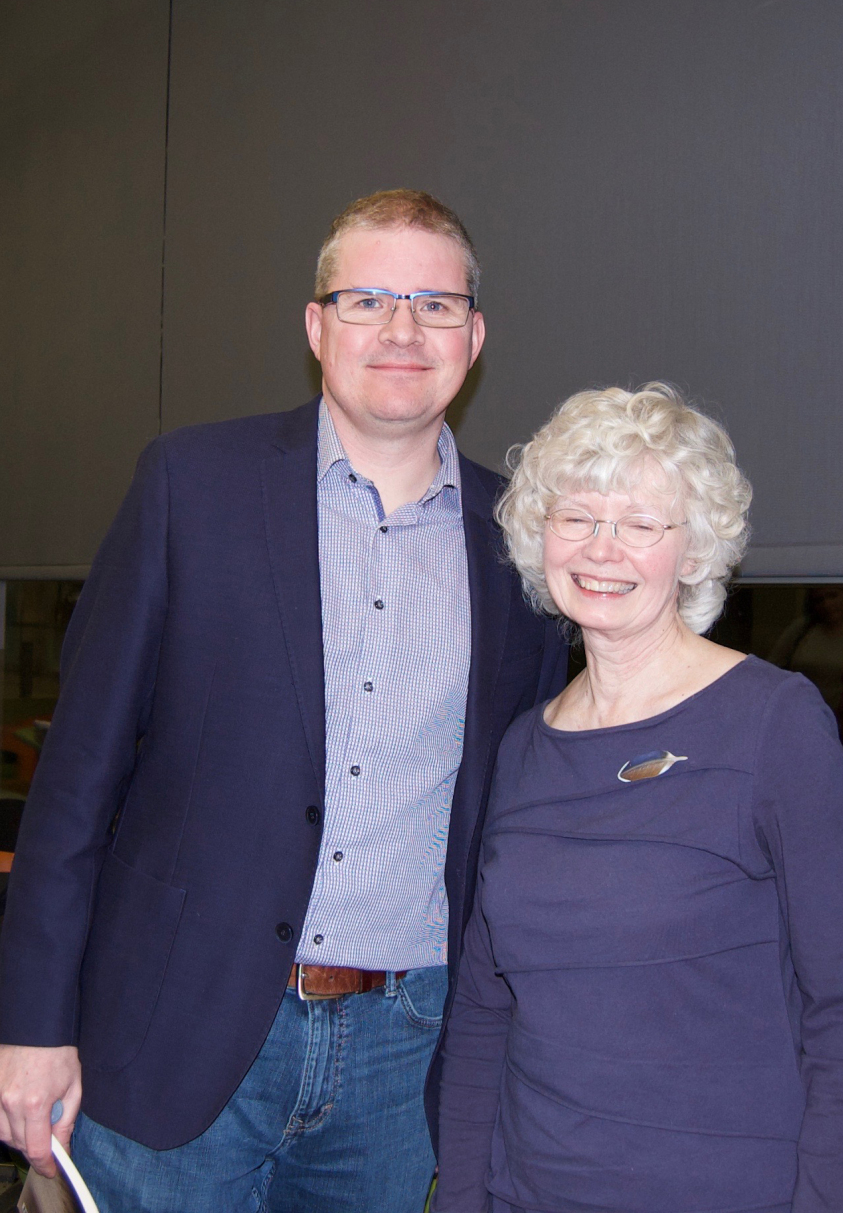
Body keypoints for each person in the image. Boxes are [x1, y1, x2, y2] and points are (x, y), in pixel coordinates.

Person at [0, 189, 565, 1212]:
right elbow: (76, 782)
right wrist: (32, 1025)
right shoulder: (190, 486)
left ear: (473, 338)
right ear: (316, 326)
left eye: (435, 306)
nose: (401, 330)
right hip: (174, 1029)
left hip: (401, 1058)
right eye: (366, 300)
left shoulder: (522, 542)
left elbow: (518, 816)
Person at [432, 384, 843, 1213]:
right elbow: (486, 1010)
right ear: (538, 536)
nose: (603, 549)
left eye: (640, 524)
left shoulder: (773, 725)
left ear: (693, 550)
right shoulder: (522, 748)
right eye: (577, 516)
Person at [768, 585, 843, 713]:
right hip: (799, 711)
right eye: (819, 600)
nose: (826, 604)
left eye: (832, 596)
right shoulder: (801, 629)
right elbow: (771, 667)